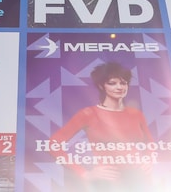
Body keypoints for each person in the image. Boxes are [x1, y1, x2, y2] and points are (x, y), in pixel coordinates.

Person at [48, 62, 155, 190]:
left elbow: (150, 143)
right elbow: (53, 144)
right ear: (101, 86)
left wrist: (148, 160)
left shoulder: (136, 114)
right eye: (112, 83)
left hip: (140, 180)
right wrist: (84, 173)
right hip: (109, 182)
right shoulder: (88, 113)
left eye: (123, 83)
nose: (119, 87)